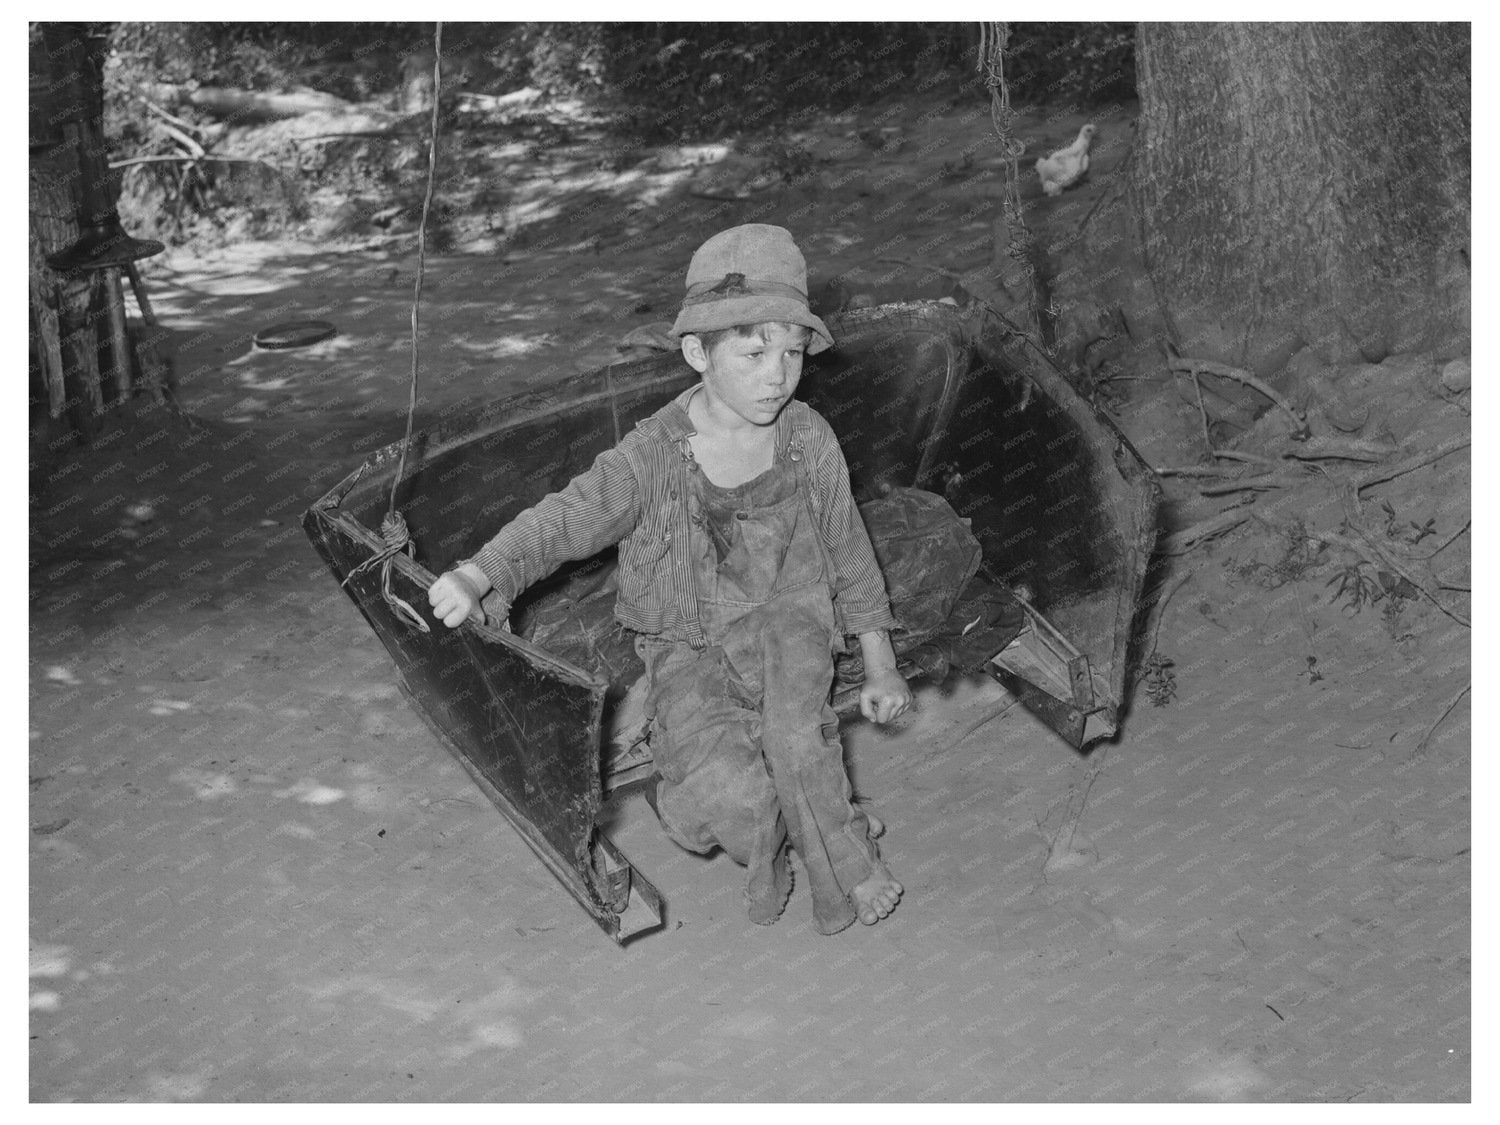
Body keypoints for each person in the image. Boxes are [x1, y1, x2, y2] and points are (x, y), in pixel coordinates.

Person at [428, 224, 909, 934]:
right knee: (727, 799)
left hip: (792, 623)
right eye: (753, 354)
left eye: (792, 353)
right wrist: (478, 573)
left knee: (799, 743)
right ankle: (763, 815)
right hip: (690, 641)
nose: (777, 375)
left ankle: (847, 857)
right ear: (697, 355)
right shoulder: (651, 455)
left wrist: (881, 663)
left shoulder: (808, 437)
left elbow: (849, 548)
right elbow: (564, 519)